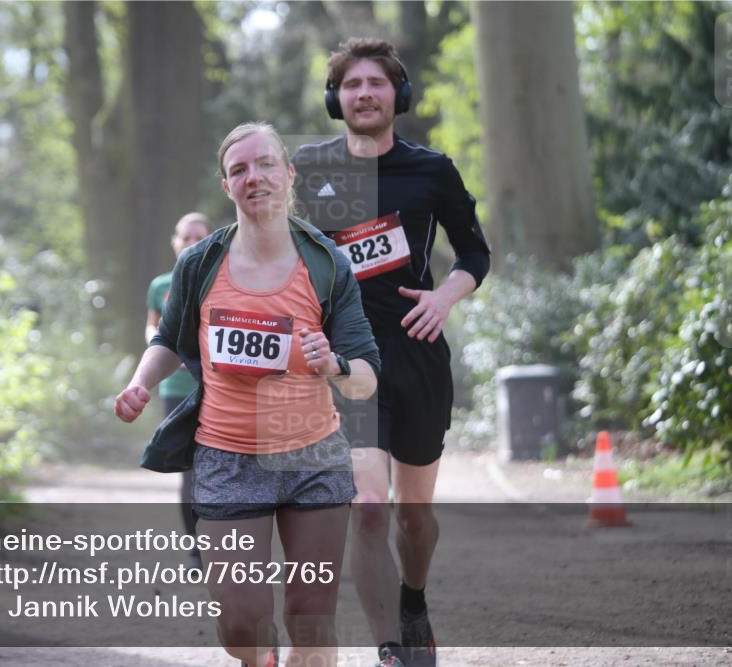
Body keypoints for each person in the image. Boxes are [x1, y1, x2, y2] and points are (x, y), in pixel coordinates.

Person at [115, 122, 381, 667]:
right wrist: (141, 382)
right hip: (228, 458)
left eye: (264, 165)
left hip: (314, 457)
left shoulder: (328, 263)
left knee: (311, 618)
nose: (253, 177)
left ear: (288, 174)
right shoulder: (199, 263)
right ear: (226, 186)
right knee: (241, 625)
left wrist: (332, 363)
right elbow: (169, 339)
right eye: (239, 169)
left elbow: (366, 375)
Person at [292, 38, 492, 667]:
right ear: (336, 99)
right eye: (352, 85)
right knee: (370, 508)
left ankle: (414, 599)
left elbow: (474, 254)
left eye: (377, 83)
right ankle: (389, 648)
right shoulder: (309, 167)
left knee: (413, 516)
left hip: (418, 354)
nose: (365, 94)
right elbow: (288, 260)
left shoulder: (432, 169)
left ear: (398, 96)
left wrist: (445, 299)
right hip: (349, 361)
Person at [146, 211, 211, 571]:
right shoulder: (160, 286)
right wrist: (164, 348)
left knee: (214, 466)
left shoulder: (221, 279)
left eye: (198, 237)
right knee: (189, 470)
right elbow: (152, 328)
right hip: (175, 385)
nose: (191, 244)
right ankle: (195, 551)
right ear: (175, 242)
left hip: (216, 383)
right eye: (185, 237)